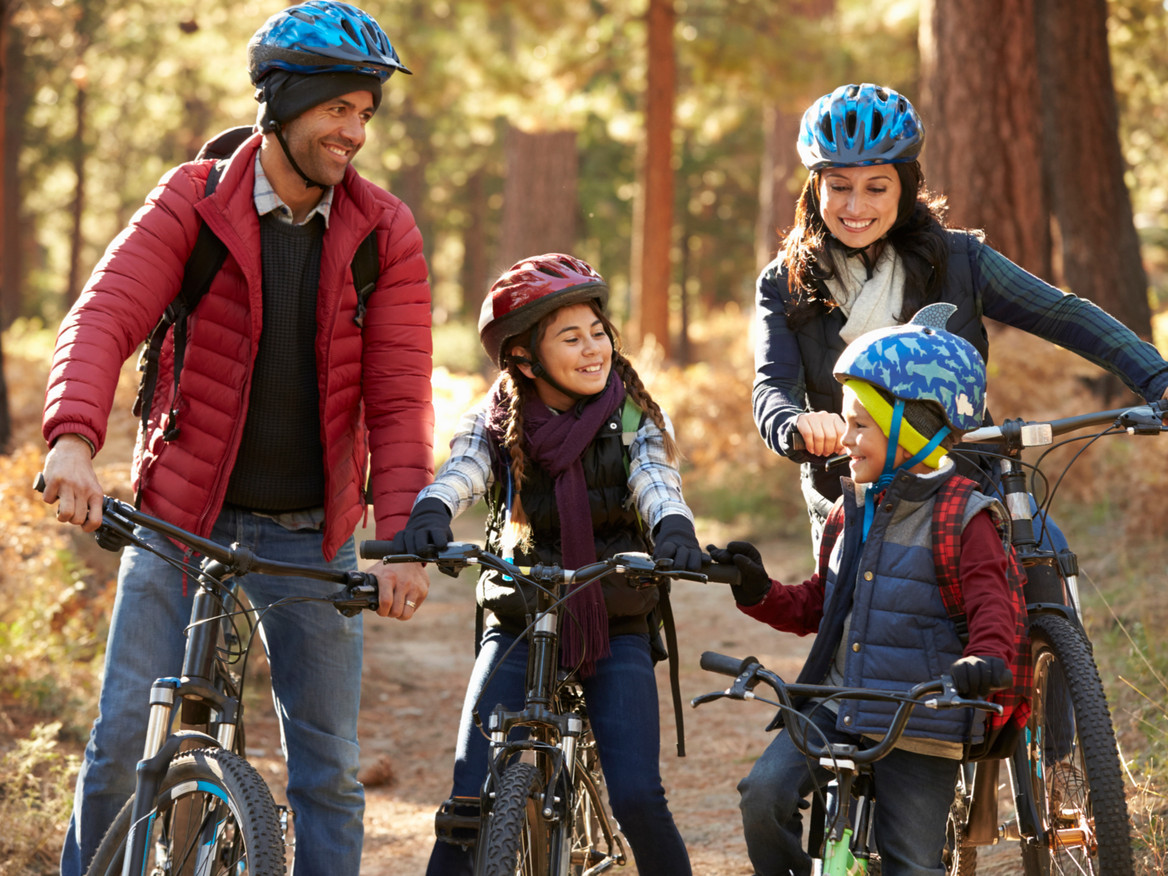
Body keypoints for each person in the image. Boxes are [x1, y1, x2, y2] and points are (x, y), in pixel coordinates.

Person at [39, 4, 433, 875]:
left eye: (366, 113)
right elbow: (104, 316)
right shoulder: (195, 199)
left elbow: (400, 401)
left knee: (326, 774)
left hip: (312, 535)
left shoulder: (384, 232)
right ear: (284, 106)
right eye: (339, 109)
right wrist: (73, 437)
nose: (355, 132)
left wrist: (399, 541)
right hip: (183, 519)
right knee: (119, 752)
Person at [385, 253, 703, 875]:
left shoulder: (630, 412)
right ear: (524, 360)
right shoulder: (498, 415)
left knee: (639, 796)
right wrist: (431, 513)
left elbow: (655, 477)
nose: (593, 350)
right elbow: (464, 469)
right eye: (570, 338)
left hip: (614, 614)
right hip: (519, 611)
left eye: (598, 332)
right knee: (467, 802)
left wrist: (674, 527)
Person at [753, 81, 1168, 544]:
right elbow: (773, 388)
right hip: (851, 496)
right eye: (839, 186)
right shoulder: (783, 282)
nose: (855, 206)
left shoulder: (960, 259)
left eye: (876, 188)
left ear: (904, 188)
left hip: (967, 481)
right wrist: (795, 426)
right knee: (854, 616)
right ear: (816, 187)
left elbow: (1062, 315)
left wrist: (1157, 377)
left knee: (1044, 555)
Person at [710, 307, 1018, 876]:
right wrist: (756, 590)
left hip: (921, 717)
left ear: (912, 426)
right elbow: (819, 608)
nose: (844, 441)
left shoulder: (963, 516)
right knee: (762, 797)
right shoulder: (848, 512)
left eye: (859, 425)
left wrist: (984, 658)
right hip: (835, 701)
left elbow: (993, 606)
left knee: (912, 864)